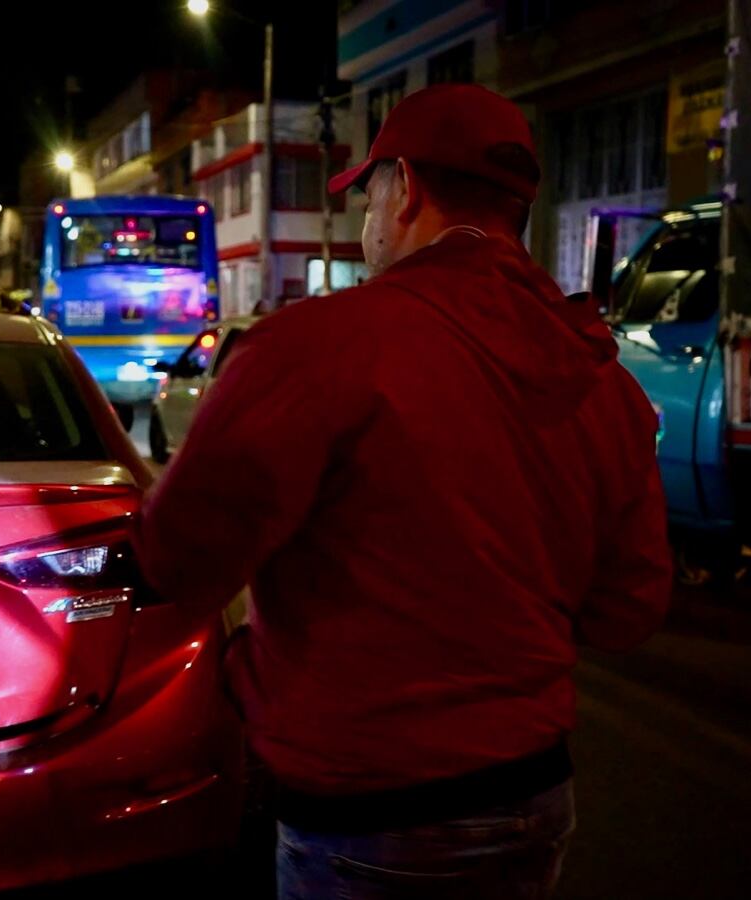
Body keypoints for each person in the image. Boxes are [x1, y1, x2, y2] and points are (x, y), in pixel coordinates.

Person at [132, 83, 672, 899]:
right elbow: (627, 611)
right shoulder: (603, 381)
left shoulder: (317, 345)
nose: (367, 219)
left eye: (369, 195)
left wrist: (250, 664)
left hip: (371, 811)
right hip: (533, 795)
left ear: (406, 188)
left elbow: (177, 558)